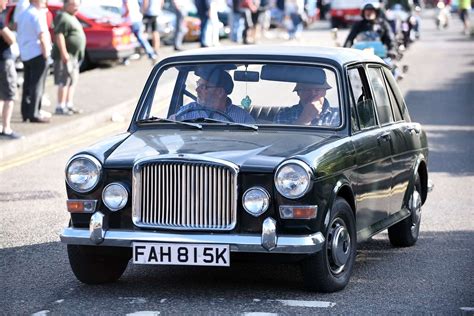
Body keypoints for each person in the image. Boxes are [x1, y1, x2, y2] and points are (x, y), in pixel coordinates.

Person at [174, 68, 255, 123]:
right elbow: (172, 138)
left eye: (203, 87)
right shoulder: (186, 112)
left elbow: (254, 143)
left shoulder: (243, 118)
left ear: (220, 92)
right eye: (198, 84)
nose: (197, 90)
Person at [17, 0, 51, 123]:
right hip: (38, 53)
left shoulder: (23, 14)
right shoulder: (37, 14)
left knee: (27, 84)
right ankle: (34, 113)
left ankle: (25, 112)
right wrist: (46, 54)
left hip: (26, 53)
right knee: (38, 85)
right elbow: (42, 35)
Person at [52, 0, 86, 116]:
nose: (77, 7)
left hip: (74, 56)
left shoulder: (71, 16)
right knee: (64, 81)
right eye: (74, 4)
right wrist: (64, 53)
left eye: (78, 4)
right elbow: (59, 35)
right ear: (66, 4)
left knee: (72, 81)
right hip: (67, 56)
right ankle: (60, 106)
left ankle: (68, 104)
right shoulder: (63, 16)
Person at [273, 69, 339, 126]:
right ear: (298, 93)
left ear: (324, 92)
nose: (313, 94)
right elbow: (280, 140)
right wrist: (305, 119)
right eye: (307, 90)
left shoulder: (339, 116)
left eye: (317, 90)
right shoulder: (285, 114)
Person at [0, 0, 22, 139]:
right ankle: (6, 129)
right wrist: (11, 33)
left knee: (0, 96)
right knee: (9, 95)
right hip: (4, 60)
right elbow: (11, 39)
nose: (6, 2)